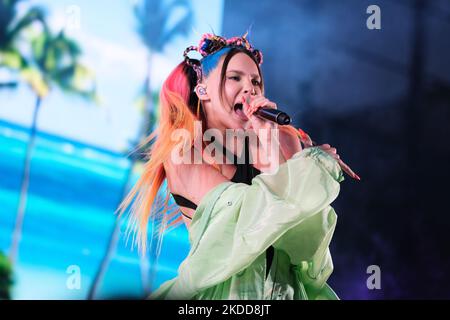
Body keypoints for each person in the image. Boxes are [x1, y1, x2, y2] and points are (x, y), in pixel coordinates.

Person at [118, 32, 354, 300]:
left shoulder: (283, 138)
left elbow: (301, 240)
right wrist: (309, 168)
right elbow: (244, 222)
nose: (250, 88)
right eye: (235, 78)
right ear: (203, 89)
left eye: (256, 81)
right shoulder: (184, 152)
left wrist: (270, 141)